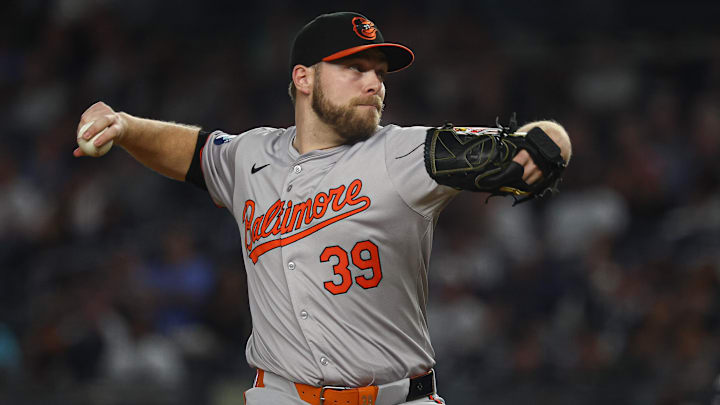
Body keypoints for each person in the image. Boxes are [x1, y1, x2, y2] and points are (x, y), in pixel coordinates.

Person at [75, 11, 571, 405]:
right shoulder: (251, 155)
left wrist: (549, 145)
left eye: (379, 72)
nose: (374, 83)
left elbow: (536, 142)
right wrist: (124, 125)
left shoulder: (406, 153)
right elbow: (193, 151)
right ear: (304, 78)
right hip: (281, 395)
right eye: (354, 68)